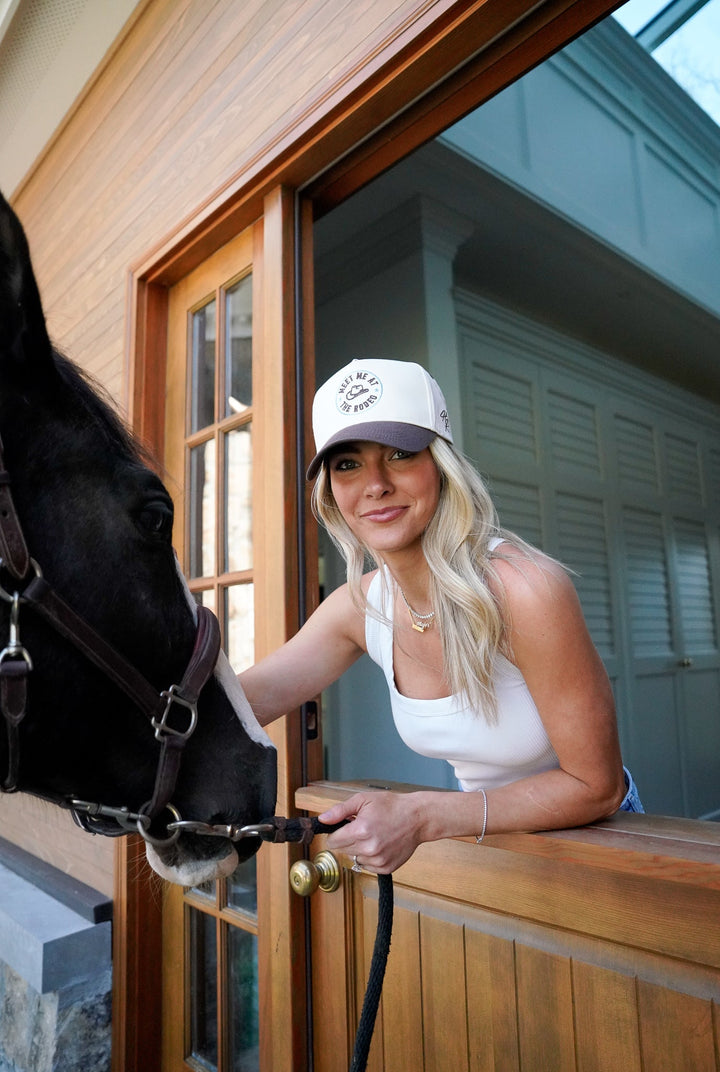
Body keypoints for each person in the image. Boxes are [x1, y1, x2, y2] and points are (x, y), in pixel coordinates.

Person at [239, 358, 643, 874]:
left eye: (400, 454)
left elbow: (598, 787)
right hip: (494, 849)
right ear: (331, 491)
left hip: (599, 851)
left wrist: (422, 815)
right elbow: (241, 703)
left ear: (441, 463)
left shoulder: (525, 590)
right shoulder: (358, 607)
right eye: (348, 464)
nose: (375, 484)